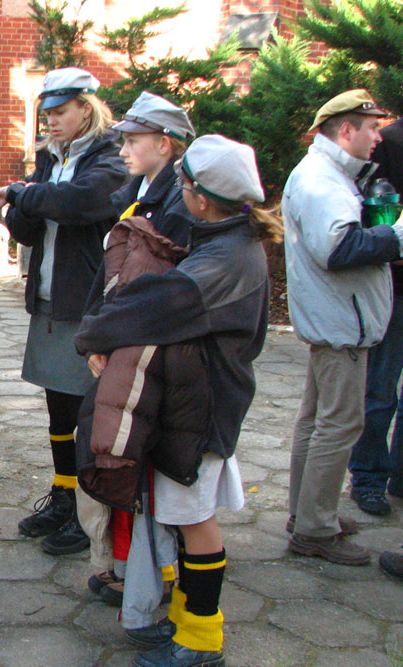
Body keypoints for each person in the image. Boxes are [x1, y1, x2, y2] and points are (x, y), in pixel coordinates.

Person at [76, 134, 281, 666]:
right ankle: (186, 619)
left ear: (201, 198)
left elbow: (155, 304)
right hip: (198, 400)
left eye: (183, 184)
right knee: (186, 515)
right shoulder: (227, 239)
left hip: (204, 407)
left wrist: (92, 333)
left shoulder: (225, 260)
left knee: (195, 521)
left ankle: (200, 639)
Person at [0, 67, 127, 556]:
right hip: (49, 298)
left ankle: (89, 513)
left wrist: (20, 193)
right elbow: (27, 225)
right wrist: (20, 206)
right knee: (58, 407)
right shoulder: (49, 159)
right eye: (47, 114)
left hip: (86, 304)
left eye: (61, 112)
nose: (52, 122)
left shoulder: (109, 157)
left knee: (87, 411)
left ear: (87, 107)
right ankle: (64, 495)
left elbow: (81, 202)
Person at [81, 91, 196, 639]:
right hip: (118, 343)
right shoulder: (140, 192)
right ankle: (128, 567)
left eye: (133, 139)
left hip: (146, 355)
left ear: (165, 144)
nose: (122, 147)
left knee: (137, 464)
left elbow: (151, 292)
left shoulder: (178, 203)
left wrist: (104, 336)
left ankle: (153, 577)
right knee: (120, 460)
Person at [284, 89, 403, 566]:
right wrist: (395, 235)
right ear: (346, 129)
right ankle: (313, 529)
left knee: (317, 422)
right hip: (340, 325)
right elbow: (337, 250)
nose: (379, 136)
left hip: (335, 320)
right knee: (338, 426)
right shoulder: (322, 181)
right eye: (372, 127)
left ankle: (310, 515)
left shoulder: (327, 174)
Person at [349, 112, 403, 516]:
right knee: (380, 392)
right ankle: (368, 477)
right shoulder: (390, 142)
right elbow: (367, 208)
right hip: (395, 290)